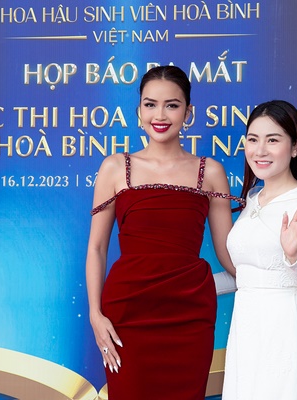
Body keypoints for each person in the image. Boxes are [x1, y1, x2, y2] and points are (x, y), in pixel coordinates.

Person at [85, 65, 243, 400]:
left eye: (172, 105)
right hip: (128, 310)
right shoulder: (115, 167)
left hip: (189, 313)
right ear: (138, 111)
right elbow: (97, 248)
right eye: (150, 104)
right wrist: (95, 315)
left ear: (188, 112)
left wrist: (282, 293)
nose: (160, 115)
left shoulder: (210, 172)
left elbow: (229, 255)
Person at [222, 100, 297, 399]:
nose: (260, 151)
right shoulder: (252, 199)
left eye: (273, 140)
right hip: (246, 333)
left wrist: (293, 258)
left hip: (286, 334)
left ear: (295, 147)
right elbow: (249, 273)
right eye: (253, 140)